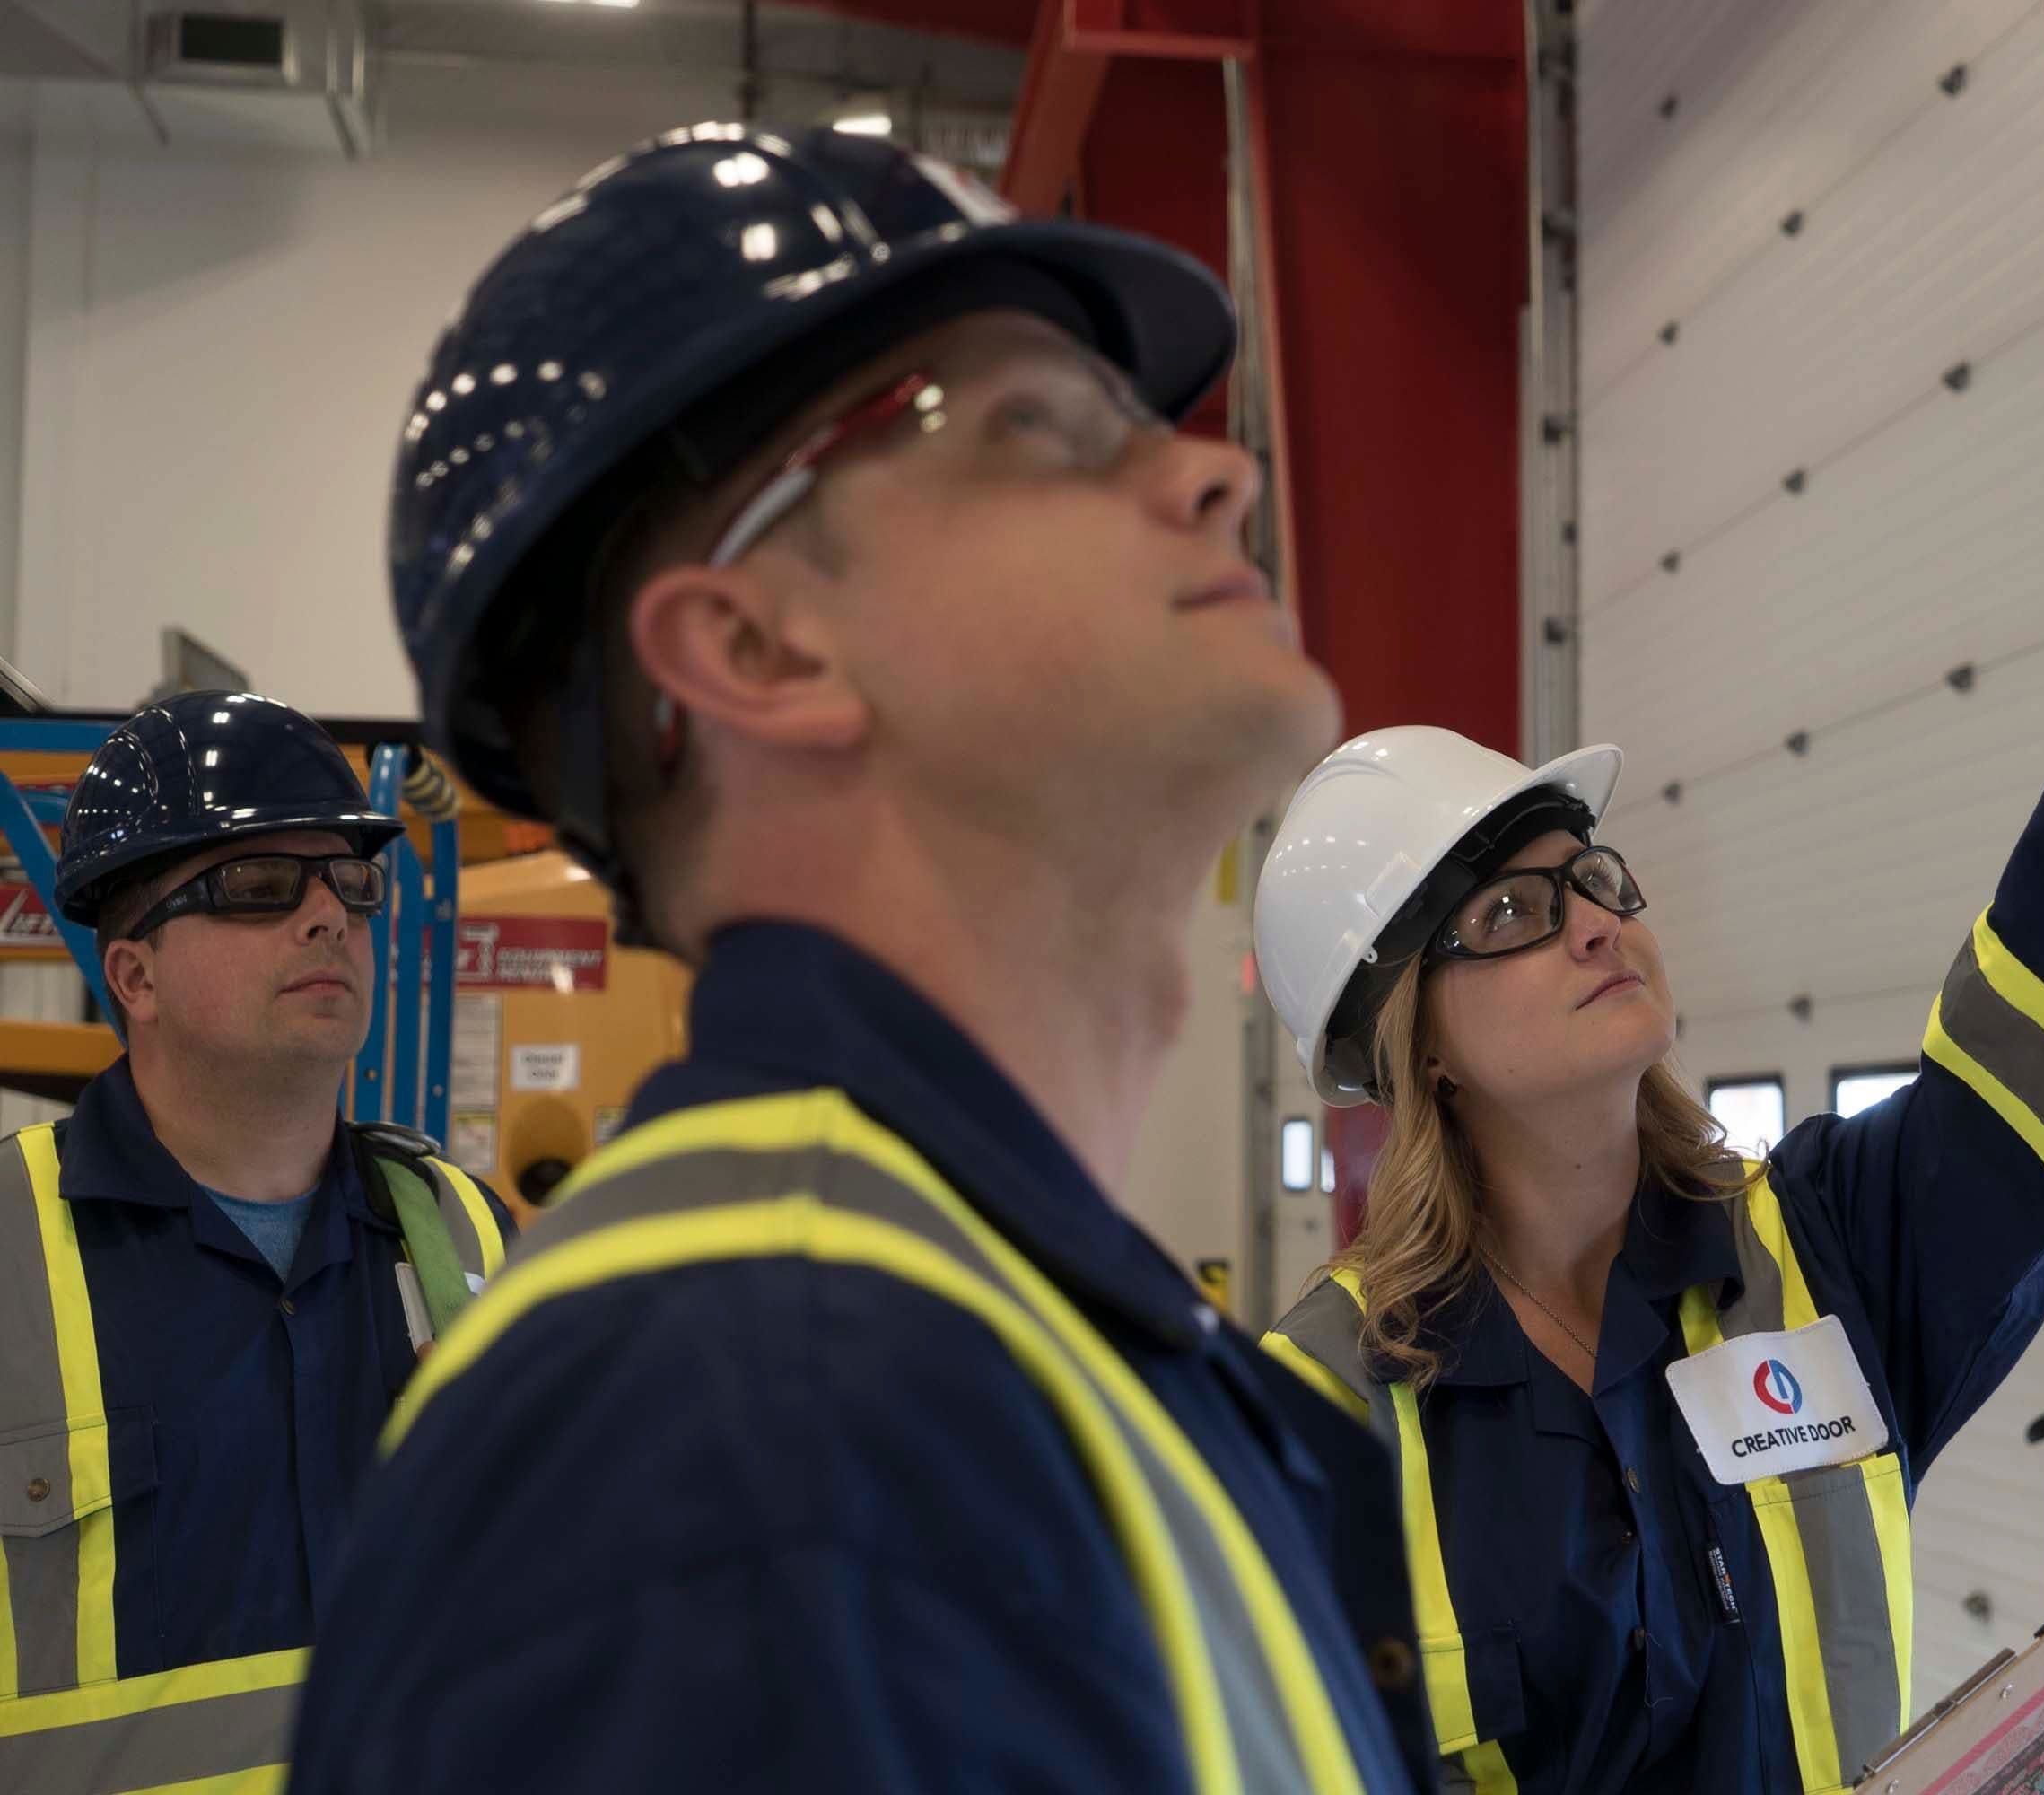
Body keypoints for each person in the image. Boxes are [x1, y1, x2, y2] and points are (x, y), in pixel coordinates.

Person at [286, 128, 1434, 1792]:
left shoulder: (981, 1349)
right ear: (753, 647)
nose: (1213, 472)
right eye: (1035, 427)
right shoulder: (726, 1443)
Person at [1257, 249, 2044, 1794]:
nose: (1589, 918)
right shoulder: (1311, 1424)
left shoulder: (1819, 1259)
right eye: (1506, 913)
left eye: (1589, 878)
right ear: (1413, 1045)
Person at [0, 691, 511, 1795]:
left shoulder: (466, 1235)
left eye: (350, 881)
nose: (329, 914)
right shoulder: (6, 1253)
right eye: (260, 885)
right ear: (133, 975)